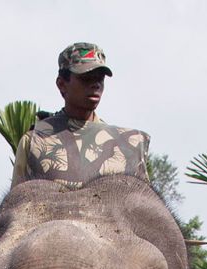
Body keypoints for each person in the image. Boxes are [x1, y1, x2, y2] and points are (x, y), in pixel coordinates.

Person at [10, 42, 151, 189]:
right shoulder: (35, 141)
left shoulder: (127, 146)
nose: (95, 84)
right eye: (86, 78)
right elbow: (17, 205)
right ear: (62, 84)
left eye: (100, 79)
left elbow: (142, 207)